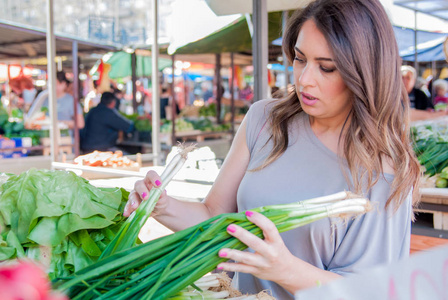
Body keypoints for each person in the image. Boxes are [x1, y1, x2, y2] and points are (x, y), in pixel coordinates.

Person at [124, 0, 421, 298]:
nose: (304, 80)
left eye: (326, 68)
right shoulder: (265, 120)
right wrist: (162, 205)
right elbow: (215, 216)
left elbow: (370, 292)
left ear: (366, 73)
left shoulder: (382, 170)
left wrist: (284, 269)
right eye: (300, 58)